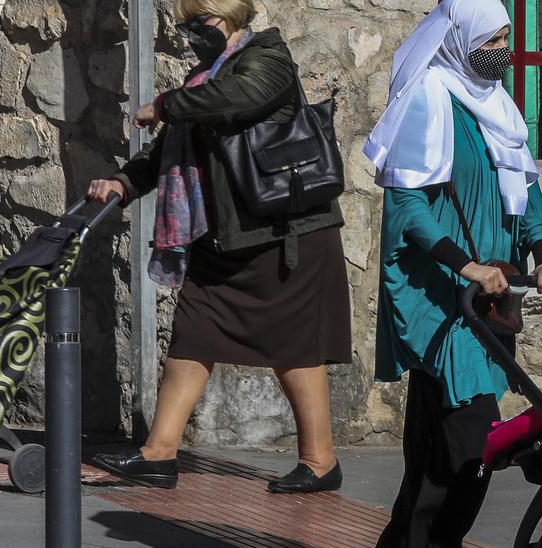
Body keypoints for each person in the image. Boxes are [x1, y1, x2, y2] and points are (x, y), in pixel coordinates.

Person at [87, 0, 351, 494]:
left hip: (283, 232)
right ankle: (159, 453)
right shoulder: (202, 78)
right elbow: (168, 148)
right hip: (224, 235)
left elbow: (235, 100)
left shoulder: (267, 60)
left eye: (201, 23)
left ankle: (320, 460)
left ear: (231, 18)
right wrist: (124, 183)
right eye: (186, 25)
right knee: (193, 333)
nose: (192, 34)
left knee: (292, 347)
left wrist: (164, 103)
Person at [364, 0, 542, 544]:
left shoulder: (496, 105)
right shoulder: (431, 100)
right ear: (460, 40)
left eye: (507, 38)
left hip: (490, 304)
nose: (503, 51)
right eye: (493, 39)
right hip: (446, 301)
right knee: (466, 448)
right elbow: (408, 207)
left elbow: (527, 191)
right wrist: (466, 266)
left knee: (438, 451)